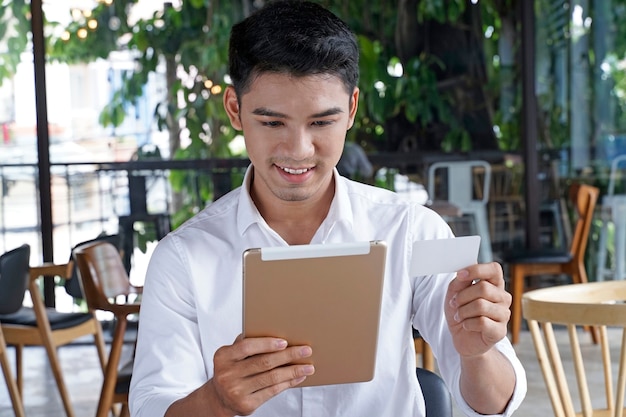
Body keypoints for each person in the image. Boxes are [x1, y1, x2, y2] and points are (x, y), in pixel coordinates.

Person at [129, 1, 527, 416]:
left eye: (321, 123)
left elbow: (495, 404)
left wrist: (476, 355)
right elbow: (152, 408)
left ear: (351, 109)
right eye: (272, 123)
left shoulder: (411, 231)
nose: (299, 150)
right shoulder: (183, 257)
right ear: (235, 109)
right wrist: (217, 401)